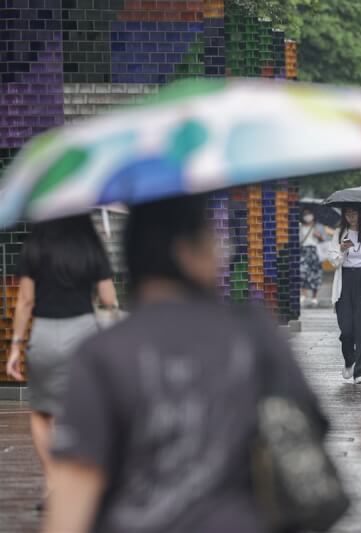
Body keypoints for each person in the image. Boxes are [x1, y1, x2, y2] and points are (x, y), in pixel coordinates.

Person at [43, 195, 325, 533]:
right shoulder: (254, 333)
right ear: (185, 253)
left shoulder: (101, 354)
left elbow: (73, 497)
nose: (223, 251)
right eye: (213, 239)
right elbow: (307, 432)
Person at [4, 216, 117, 511]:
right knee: (84, 407)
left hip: (43, 331)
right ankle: (87, 482)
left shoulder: (36, 242)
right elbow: (107, 298)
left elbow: (26, 301)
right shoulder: (89, 240)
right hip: (82, 332)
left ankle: (53, 482)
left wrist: (16, 345)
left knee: (42, 412)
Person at [328, 206, 361, 385]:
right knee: (346, 329)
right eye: (348, 213)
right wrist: (342, 249)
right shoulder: (339, 232)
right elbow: (333, 260)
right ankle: (349, 360)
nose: (351, 216)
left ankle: (360, 371)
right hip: (345, 280)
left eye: (355, 212)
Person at [299, 208, 326, 307]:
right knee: (302, 272)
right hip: (303, 251)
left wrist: (319, 236)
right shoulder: (300, 226)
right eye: (305, 214)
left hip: (315, 251)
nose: (308, 216)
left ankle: (314, 297)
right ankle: (303, 294)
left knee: (316, 274)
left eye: (309, 213)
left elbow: (325, 240)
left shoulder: (318, 226)